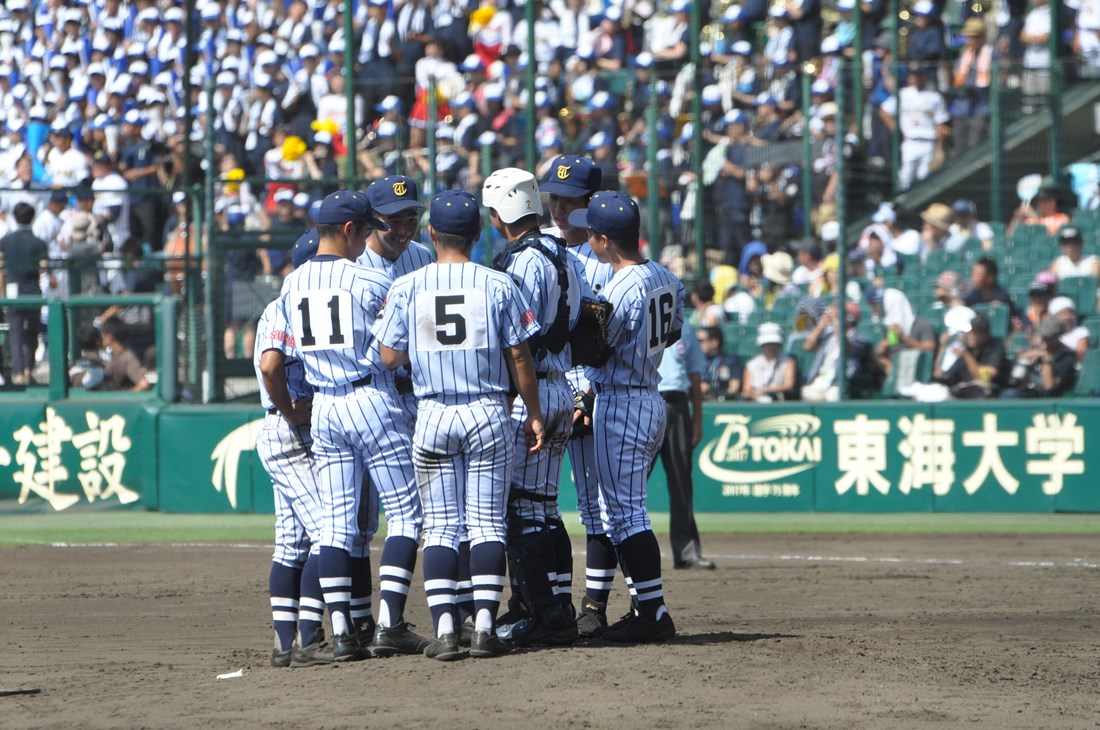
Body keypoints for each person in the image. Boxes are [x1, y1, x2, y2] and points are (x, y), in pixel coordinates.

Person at [376, 189, 546, 660]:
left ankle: (446, 630)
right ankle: (485, 628)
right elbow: (519, 355)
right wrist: (532, 411)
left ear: (431, 233)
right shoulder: (498, 283)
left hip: (432, 413)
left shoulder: (409, 286)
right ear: (478, 233)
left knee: (442, 527)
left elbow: (389, 357)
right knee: (487, 524)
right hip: (488, 409)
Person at [265, 189, 425, 664]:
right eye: (369, 229)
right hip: (370, 396)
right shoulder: (368, 281)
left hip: (324, 408)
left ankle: (340, 633)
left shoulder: (291, 286)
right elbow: (394, 353)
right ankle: (390, 623)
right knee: (406, 514)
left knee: (334, 525)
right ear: (352, 230)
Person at [567, 189, 685, 643]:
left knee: (626, 514)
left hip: (621, 398)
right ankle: (646, 607)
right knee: (626, 511)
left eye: (593, 234)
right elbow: (672, 333)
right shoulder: (665, 277)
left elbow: (597, 349)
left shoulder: (620, 286)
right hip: (649, 394)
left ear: (602, 239)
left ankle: (652, 613)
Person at [482, 167, 586, 646]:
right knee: (544, 509)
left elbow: (516, 339)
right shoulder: (567, 255)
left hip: (533, 392)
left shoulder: (522, 261)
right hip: (562, 383)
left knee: (520, 512)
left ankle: (543, 614)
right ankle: (554, 605)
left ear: (501, 211)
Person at [538, 155, 618, 640]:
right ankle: (539, 600)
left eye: (573, 200)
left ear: (591, 205)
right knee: (536, 504)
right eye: (556, 198)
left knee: (596, 506)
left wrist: (585, 391)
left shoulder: (604, 260)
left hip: (590, 392)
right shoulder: (539, 250)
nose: (562, 208)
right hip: (544, 390)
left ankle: (594, 604)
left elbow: (606, 340)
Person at [252, 228, 325, 668]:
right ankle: (309, 639)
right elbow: (269, 365)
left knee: (292, 542)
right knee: (328, 532)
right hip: (290, 431)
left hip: (287, 428)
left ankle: (285, 644)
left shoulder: (290, 305)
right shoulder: (288, 307)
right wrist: (290, 409)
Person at [360, 175, 436, 419]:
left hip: (419, 392)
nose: (404, 230)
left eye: (411, 220)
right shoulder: (354, 263)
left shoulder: (422, 256)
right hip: (372, 393)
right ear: (372, 219)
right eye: (393, 221)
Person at [653, 321, 713, 570]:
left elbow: (695, 373)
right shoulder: (639, 312)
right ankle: (613, 550)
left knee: (681, 484)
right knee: (629, 484)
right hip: (645, 399)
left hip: (678, 404)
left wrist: (697, 419)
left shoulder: (685, 327)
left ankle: (687, 551)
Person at [0, 202, 49, 385]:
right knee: (32, 332)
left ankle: (18, 372)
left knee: (16, 333)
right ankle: (29, 369)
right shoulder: (38, 242)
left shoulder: (5, 241)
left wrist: (2, 294)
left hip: (13, 291)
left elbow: (1, 268)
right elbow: (44, 268)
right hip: (33, 290)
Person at [801, 302, 871, 401]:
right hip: (820, 380)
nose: (837, 318)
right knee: (808, 392)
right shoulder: (829, 337)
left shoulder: (860, 339)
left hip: (840, 384)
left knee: (833, 396)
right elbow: (807, 346)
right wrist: (821, 325)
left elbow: (847, 346)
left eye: (840, 315)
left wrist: (835, 319)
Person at [932, 313, 1006, 398]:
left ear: (985, 334)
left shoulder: (995, 349)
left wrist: (966, 355)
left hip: (988, 394)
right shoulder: (966, 349)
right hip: (963, 393)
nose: (972, 336)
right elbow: (939, 374)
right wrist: (943, 347)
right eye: (970, 333)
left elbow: (984, 378)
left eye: (976, 333)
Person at [1002, 316, 1078, 398]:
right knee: (1009, 394)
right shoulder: (1037, 352)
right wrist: (1026, 364)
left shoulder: (1067, 358)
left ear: (1057, 337)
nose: (1044, 341)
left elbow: (1049, 387)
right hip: (1031, 394)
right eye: (1043, 337)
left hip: (1052, 399)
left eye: (1048, 338)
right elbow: (1021, 385)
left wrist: (1045, 359)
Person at [873, 288, 936, 376]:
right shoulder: (888, 328)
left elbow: (930, 347)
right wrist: (882, 351)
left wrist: (904, 338)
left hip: (916, 369)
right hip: (895, 370)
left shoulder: (922, 324)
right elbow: (884, 355)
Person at [742, 322, 797, 402]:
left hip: (778, 399)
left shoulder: (788, 362)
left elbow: (789, 385)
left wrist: (765, 390)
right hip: (755, 400)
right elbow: (746, 388)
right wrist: (752, 393)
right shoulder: (752, 364)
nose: (771, 347)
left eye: (774, 343)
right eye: (768, 344)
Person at [98, 316, 152, 392]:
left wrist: (124, 399)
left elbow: (143, 384)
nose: (101, 337)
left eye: (103, 333)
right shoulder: (107, 353)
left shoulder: (127, 357)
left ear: (110, 335)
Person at [698, 325, 743, 401]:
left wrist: (713, 393)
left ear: (714, 343)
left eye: (700, 341)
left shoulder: (730, 360)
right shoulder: (694, 362)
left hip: (723, 403)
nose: (697, 344)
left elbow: (734, 388)